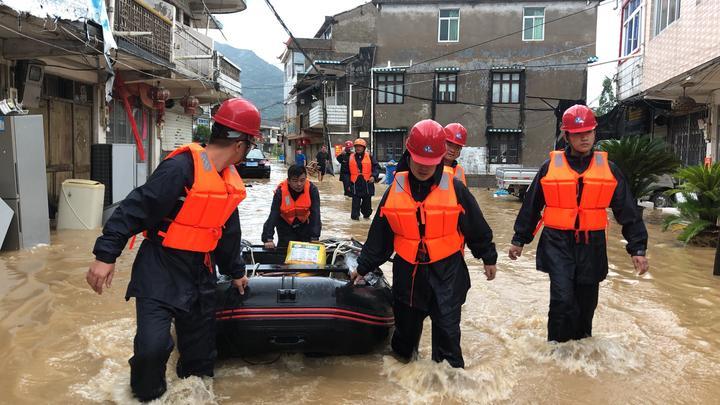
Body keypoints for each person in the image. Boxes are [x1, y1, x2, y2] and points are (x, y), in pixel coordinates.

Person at [85, 97, 262, 402]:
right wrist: (105, 256)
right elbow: (134, 208)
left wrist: (235, 273)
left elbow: (228, 233)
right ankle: (144, 396)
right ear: (240, 144)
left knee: (200, 358)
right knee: (152, 350)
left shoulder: (226, 183)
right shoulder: (180, 169)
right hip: (160, 269)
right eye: (250, 145)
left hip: (199, 274)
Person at [351, 119, 498, 368]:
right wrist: (363, 267)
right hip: (409, 273)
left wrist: (488, 257)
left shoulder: (456, 188)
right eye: (418, 160)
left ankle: (449, 387)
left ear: (440, 159)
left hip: (448, 272)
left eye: (430, 163)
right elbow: (380, 238)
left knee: (448, 337)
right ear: (409, 155)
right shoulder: (394, 190)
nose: (423, 167)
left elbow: (476, 226)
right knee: (405, 342)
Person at [508, 104, 649, 343]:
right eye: (578, 133)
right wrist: (519, 240)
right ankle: (555, 350)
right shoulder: (550, 167)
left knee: (587, 303)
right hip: (557, 242)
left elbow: (628, 211)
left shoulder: (609, 170)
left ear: (595, 134)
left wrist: (637, 248)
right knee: (562, 299)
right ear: (567, 135)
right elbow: (531, 205)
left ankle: (581, 351)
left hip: (591, 245)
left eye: (589, 132)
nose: (584, 137)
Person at [262, 164, 321, 249]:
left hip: (304, 225)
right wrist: (268, 238)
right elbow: (273, 215)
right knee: (284, 250)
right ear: (288, 181)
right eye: (295, 180)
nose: (299, 184)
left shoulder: (312, 190)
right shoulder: (280, 192)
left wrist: (315, 237)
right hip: (285, 225)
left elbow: (315, 214)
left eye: (302, 180)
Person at [348, 138, 380, 220]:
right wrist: (347, 184)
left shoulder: (370, 156)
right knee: (354, 215)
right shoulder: (350, 157)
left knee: (367, 212)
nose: (358, 148)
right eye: (356, 146)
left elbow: (376, 167)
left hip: (367, 185)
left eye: (360, 146)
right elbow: (345, 172)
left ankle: (366, 214)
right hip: (355, 185)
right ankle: (355, 224)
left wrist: (373, 176)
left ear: (364, 148)